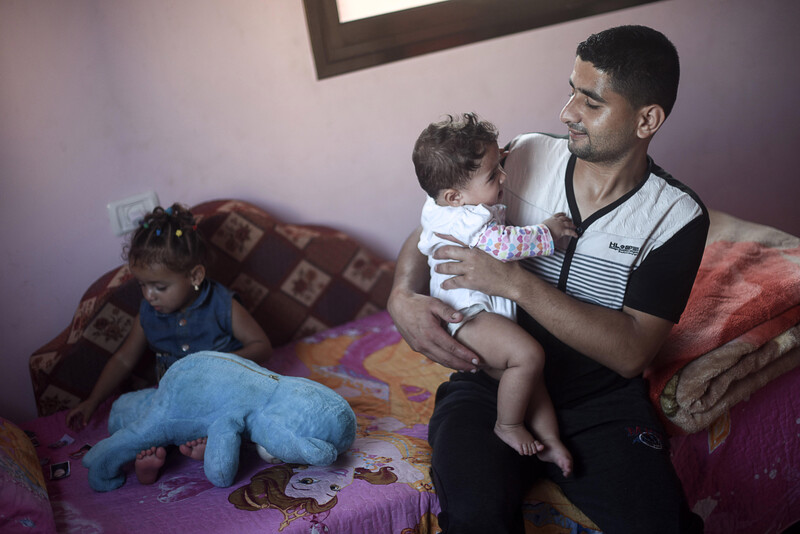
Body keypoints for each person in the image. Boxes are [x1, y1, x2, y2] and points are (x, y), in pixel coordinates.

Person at [388, 25, 709, 533]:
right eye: (571, 91)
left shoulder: (676, 217)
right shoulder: (527, 154)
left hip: (598, 402)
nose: (567, 113)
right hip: (489, 383)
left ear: (648, 119)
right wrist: (402, 296)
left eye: (591, 102)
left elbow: (631, 353)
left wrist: (515, 284)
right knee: (475, 516)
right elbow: (438, 224)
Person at [413, 112, 576, 473]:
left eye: (500, 163)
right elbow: (504, 246)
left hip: (480, 310)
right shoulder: (467, 219)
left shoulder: (444, 205)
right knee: (529, 356)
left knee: (529, 379)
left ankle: (550, 443)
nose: (504, 176)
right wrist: (549, 231)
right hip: (469, 315)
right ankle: (508, 425)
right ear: (455, 196)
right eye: (493, 174)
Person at [66, 203, 273, 485]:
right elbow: (124, 359)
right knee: (133, 413)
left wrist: (220, 365)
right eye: (142, 284)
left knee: (248, 414)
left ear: (195, 276)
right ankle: (155, 456)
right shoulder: (148, 312)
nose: (150, 295)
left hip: (220, 396)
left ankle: (221, 444)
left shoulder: (222, 304)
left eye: (160, 287)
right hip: (173, 404)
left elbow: (262, 345)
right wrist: (93, 399)